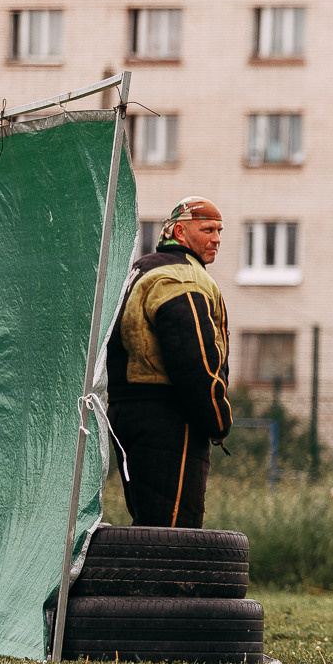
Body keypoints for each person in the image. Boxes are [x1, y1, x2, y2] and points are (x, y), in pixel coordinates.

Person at [106, 196, 232, 528]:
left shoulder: (141, 268)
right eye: (207, 229)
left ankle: (137, 582)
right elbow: (193, 358)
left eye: (219, 231)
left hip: (125, 411)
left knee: (148, 528)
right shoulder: (182, 277)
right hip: (170, 419)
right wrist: (217, 419)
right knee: (174, 534)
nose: (216, 238)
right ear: (179, 231)